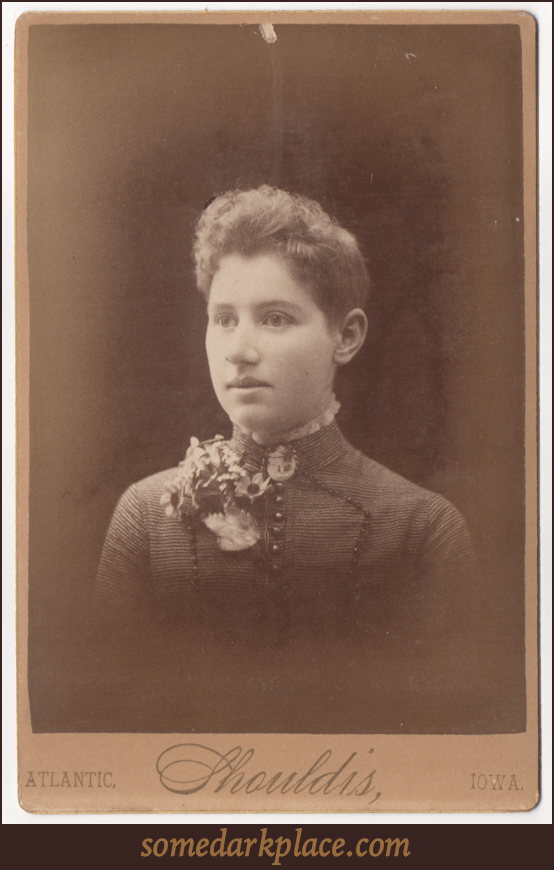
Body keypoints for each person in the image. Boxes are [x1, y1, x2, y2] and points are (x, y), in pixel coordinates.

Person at [94, 186, 487, 733]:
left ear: (345, 336)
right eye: (224, 318)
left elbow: (454, 731)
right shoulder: (143, 518)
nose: (239, 349)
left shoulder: (423, 529)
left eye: (275, 319)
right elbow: (107, 721)